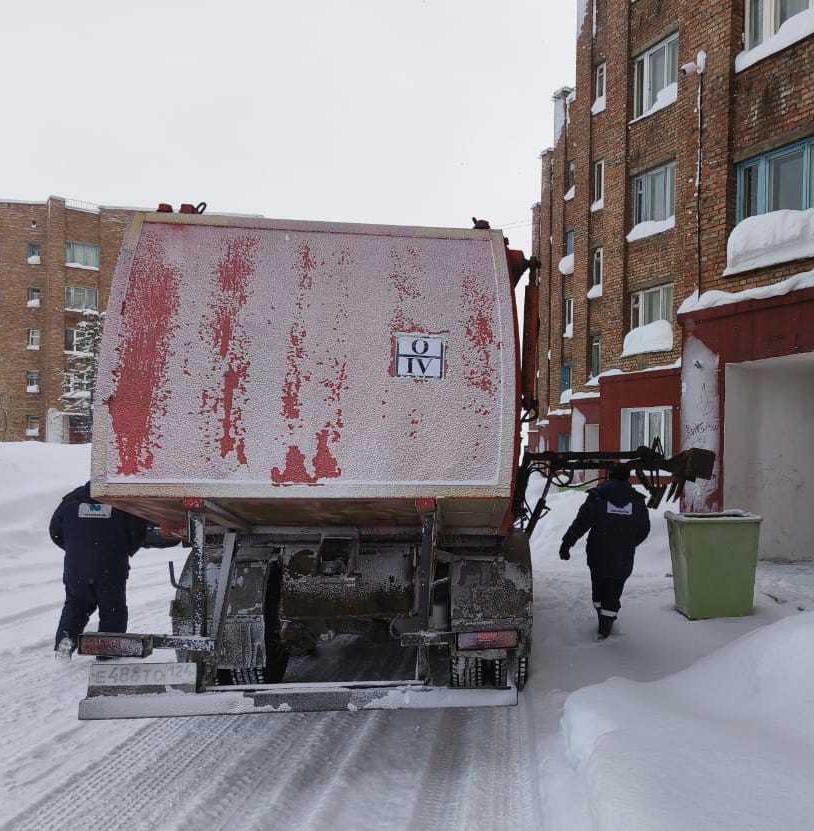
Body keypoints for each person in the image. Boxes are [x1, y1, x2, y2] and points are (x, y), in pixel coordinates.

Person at [50, 482, 148, 660]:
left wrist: (76, 549)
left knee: (75, 605)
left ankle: (65, 640)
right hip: (110, 566)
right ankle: (107, 651)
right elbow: (138, 532)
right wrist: (124, 550)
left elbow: (55, 531)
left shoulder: (71, 500)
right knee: (112, 609)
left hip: (76, 567)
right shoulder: (122, 502)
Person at [559, 464, 651, 639]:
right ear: (627, 478)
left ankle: (602, 618)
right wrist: (628, 543)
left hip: (598, 553)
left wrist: (566, 544)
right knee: (614, 589)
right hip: (623, 557)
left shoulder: (598, 496)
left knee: (599, 587)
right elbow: (644, 529)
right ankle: (606, 624)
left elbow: (581, 523)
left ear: (610, 476)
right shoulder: (637, 500)